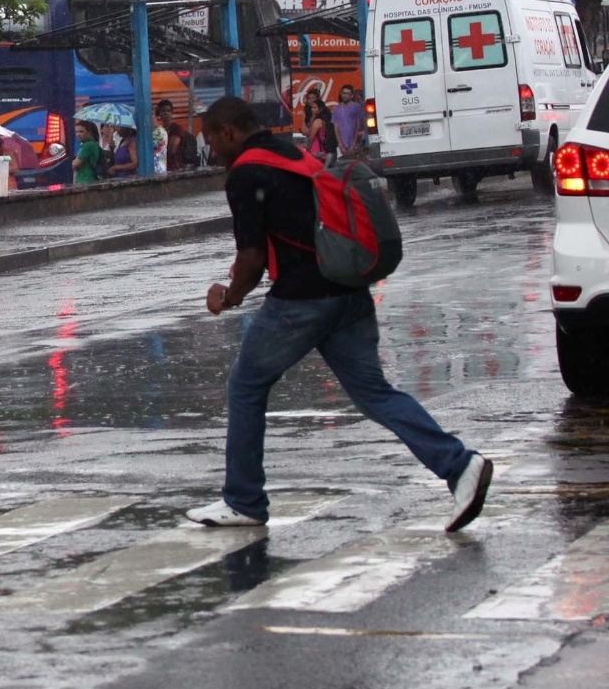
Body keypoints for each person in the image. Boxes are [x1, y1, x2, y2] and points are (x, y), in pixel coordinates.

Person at [188, 96, 492, 530]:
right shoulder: (293, 153)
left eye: (212, 140)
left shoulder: (245, 173)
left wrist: (229, 295)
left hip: (301, 299)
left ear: (229, 132)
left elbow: (252, 257)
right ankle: (460, 466)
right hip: (347, 289)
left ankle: (244, 500)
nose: (212, 150)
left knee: (245, 384)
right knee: (375, 394)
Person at [331, 84, 367, 155]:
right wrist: (340, 145)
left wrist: (354, 144)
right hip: (342, 146)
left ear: (351, 96)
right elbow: (336, 128)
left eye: (347, 94)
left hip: (356, 145)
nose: (345, 95)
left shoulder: (357, 107)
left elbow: (358, 126)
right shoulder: (336, 109)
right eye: (343, 93)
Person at [301, 89, 335, 161]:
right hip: (322, 151)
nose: (312, 109)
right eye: (312, 108)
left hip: (316, 151)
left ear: (320, 109)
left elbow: (311, 137)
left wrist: (307, 150)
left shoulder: (317, 121)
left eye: (315, 108)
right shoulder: (324, 119)